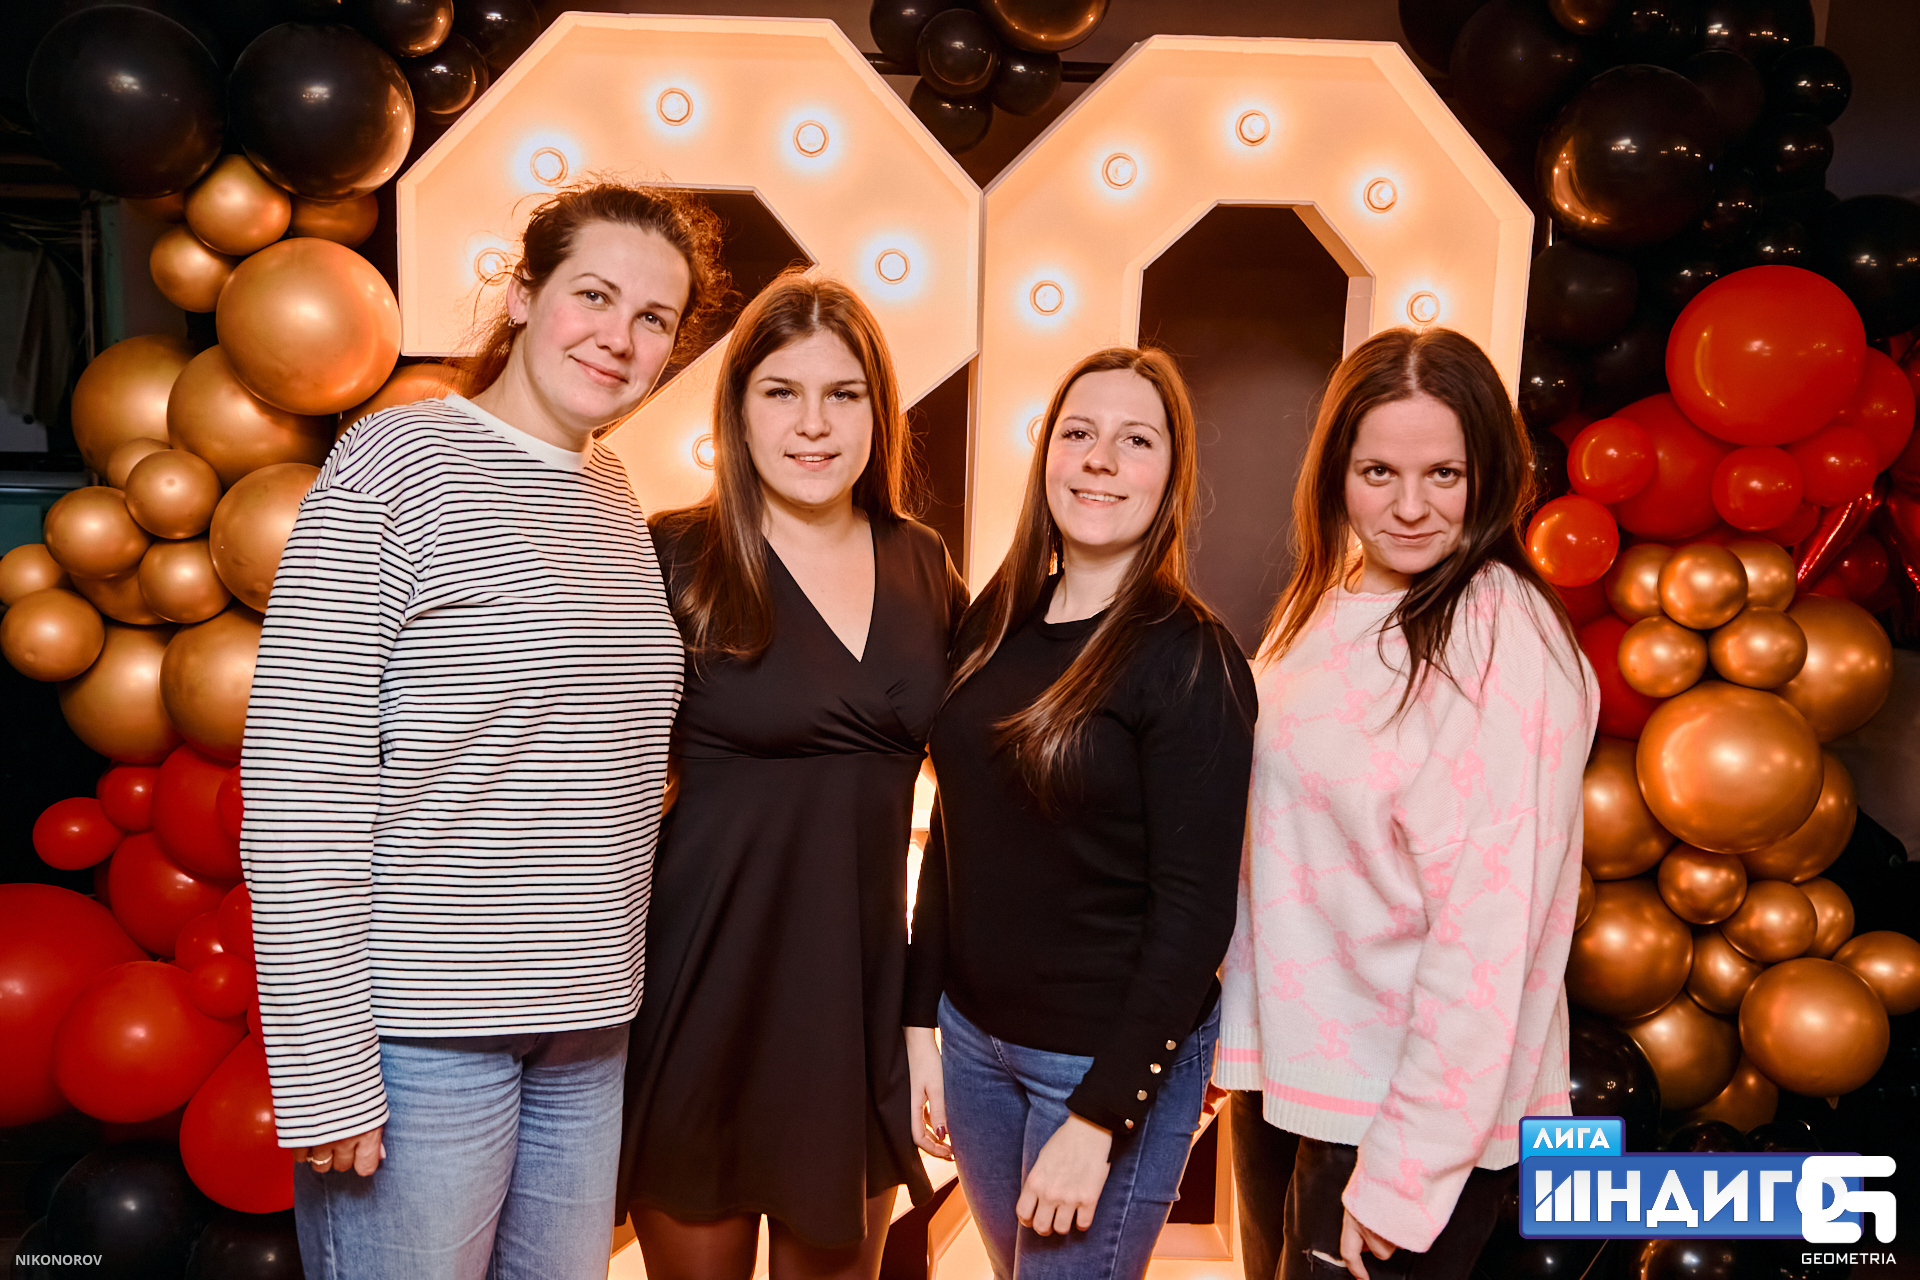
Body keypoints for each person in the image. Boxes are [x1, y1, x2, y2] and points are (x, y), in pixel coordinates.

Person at [242, 182, 726, 1280]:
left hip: (586, 1028)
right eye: (592, 295)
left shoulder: (611, 491)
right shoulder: (395, 460)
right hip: (421, 1035)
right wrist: (324, 1061)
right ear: (521, 295)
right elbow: (302, 771)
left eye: (653, 318)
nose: (619, 337)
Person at [1215, 327, 1598, 1280]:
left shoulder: (1501, 632)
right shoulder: (1326, 598)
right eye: (1378, 472)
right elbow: (1283, 849)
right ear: (1336, 473)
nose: (1412, 507)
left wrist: (1409, 1171)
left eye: (1445, 474)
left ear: (1490, 475)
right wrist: (1233, 1047)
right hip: (1293, 1088)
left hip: (1397, 1119)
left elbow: (1492, 929)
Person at [619, 272, 968, 1280]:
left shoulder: (925, 565)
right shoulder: (673, 556)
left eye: (843, 394)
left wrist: (930, 1018)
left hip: (853, 1009)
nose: (813, 424)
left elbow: (986, 802)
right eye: (781, 392)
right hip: (699, 992)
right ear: (738, 411)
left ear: (878, 411)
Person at [904, 347, 1257, 1280]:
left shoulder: (1192, 659)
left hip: (1098, 1066)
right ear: (1048, 457)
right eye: (1079, 433)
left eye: (1135, 440)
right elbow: (954, 838)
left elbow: (1195, 917)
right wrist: (919, 1027)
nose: (1100, 459)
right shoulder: (995, 621)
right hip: (973, 1045)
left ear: (1171, 475)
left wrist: (1100, 1118)